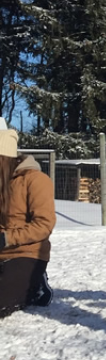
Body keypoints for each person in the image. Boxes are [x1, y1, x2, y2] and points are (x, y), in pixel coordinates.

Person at [0, 128, 56, 318]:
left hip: (27, 253)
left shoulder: (36, 180)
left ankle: (35, 286)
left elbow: (44, 224)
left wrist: (7, 238)